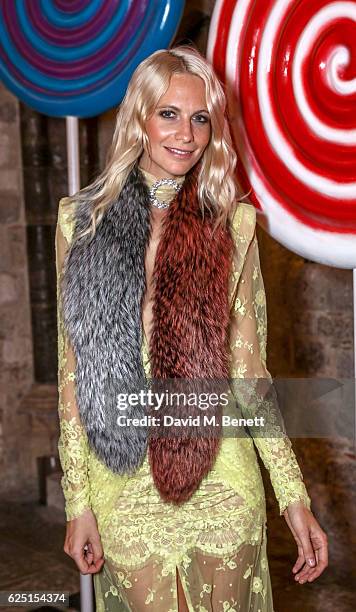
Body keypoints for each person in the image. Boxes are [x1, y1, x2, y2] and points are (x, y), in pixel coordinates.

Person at [55, 45, 328, 612]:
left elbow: (251, 373)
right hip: (123, 470)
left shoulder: (236, 225)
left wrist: (293, 498)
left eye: (201, 117)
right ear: (140, 118)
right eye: (169, 114)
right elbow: (73, 370)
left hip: (221, 468)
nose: (186, 133)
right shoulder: (80, 222)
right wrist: (77, 501)